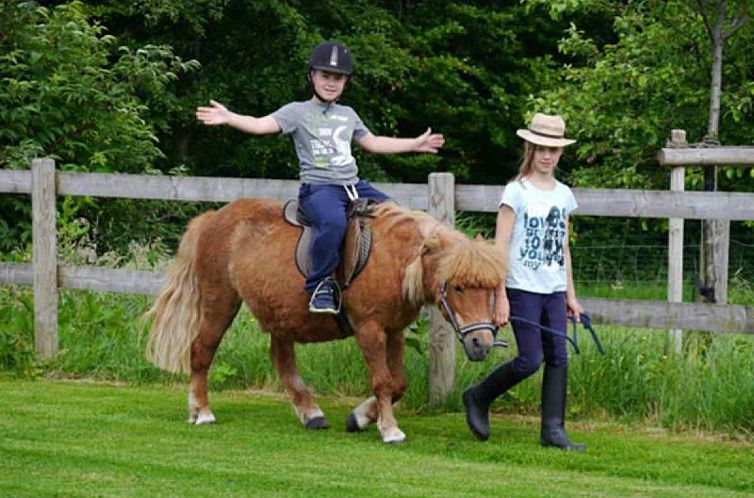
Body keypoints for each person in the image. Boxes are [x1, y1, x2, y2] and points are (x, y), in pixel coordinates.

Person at [196, 41, 444, 314]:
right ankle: (320, 285)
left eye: (337, 78)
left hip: (354, 186)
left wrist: (414, 144)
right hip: (320, 189)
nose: (331, 83)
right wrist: (229, 117)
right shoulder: (296, 112)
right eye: (325, 76)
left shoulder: (348, 115)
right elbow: (259, 125)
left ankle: (396, 285)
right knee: (333, 221)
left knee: (399, 216)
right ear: (312, 76)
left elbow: (373, 142)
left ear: (345, 82)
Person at [462, 113, 585, 450]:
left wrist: (571, 295)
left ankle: (553, 430)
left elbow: (564, 247)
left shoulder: (564, 195)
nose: (547, 156)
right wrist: (500, 295)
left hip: (554, 288)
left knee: (559, 356)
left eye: (554, 150)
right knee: (530, 359)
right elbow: (500, 249)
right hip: (522, 286)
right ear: (530, 148)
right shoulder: (516, 192)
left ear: (561, 153)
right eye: (541, 148)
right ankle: (478, 396)